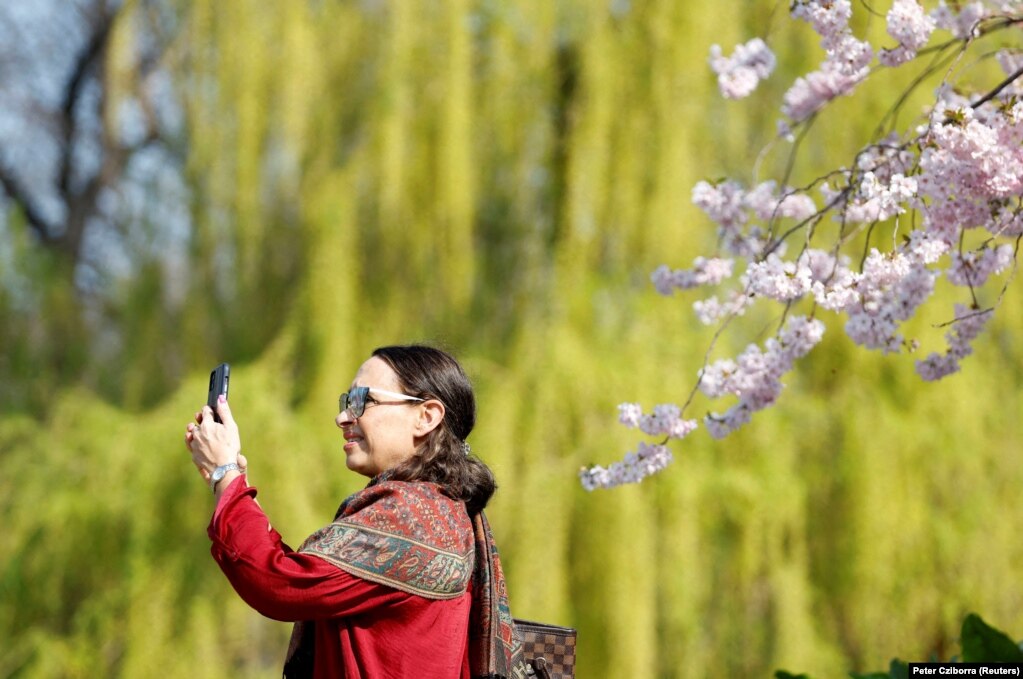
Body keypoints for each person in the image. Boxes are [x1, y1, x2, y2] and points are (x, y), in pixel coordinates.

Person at [185, 345, 530, 679]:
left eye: (362, 400)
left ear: (426, 416)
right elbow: (305, 575)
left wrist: (225, 474)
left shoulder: (412, 516)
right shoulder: (438, 509)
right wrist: (233, 483)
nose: (342, 417)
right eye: (345, 401)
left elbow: (280, 582)